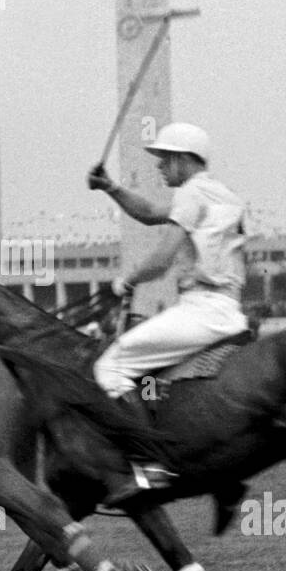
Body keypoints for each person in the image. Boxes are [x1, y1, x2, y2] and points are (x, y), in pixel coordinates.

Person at [86, 122, 249, 405]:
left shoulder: (190, 193)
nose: (159, 166)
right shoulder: (226, 195)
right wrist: (110, 187)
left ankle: (142, 447)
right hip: (231, 310)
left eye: (164, 159)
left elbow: (162, 261)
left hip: (202, 312)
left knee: (109, 367)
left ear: (182, 159)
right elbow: (148, 212)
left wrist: (126, 282)